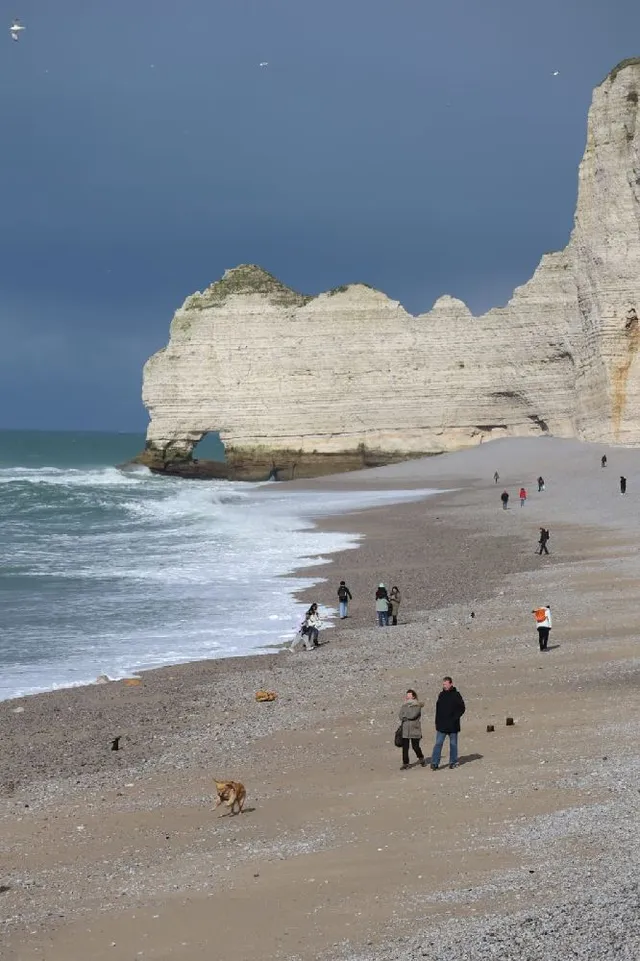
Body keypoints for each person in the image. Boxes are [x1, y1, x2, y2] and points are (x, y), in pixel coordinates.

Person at [430, 677, 466, 770]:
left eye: (445, 684)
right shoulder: (441, 695)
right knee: (438, 744)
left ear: (451, 684)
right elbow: (437, 710)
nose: (444, 686)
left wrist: (455, 718)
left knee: (453, 744)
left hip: (453, 725)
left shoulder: (456, 695)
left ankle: (453, 762)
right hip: (442, 725)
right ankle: (434, 762)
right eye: (443, 684)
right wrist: (437, 722)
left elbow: (462, 708)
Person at [399, 689, 427, 770]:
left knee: (415, 746)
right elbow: (400, 715)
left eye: (409, 695)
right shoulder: (404, 705)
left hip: (414, 729)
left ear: (413, 696)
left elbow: (413, 715)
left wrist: (405, 716)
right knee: (405, 748)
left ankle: (421, 758)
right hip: (405, 729)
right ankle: (405, 763)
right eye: (407, 694)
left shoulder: (417, 705)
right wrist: (404, 716)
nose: (407, 696)